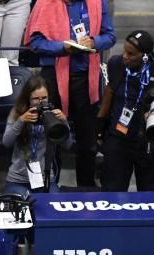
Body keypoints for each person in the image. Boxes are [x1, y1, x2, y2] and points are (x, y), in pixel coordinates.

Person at [25, 0, 116, 189]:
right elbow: (34, 42)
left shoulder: (97, 3)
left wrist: (94, 41)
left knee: (87, 140)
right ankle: (50, 185)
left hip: (86, 78)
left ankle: (86, 187)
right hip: (53, 78)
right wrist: (62, 48)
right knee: (52, 136)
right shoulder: (44, 3)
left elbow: (110, 36)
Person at [97, 30, 154, 192]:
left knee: (150, 197)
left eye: (131, 54)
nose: (125, 56)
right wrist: (99, 128)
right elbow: (109, 92)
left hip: (149, 143)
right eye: (124, 51)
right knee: (111, 194)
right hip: (118, 139)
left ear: (145, 56)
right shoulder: (115, 64)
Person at [2, 75, 72, 196]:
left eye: (44, 98)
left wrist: (63, 122)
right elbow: (6, 142)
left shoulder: (53, 114)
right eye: (35, 98)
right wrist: (21, 121)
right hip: (18, 180)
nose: (40, 102)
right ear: (28, 99)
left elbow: (68, 144)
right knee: (24, 207)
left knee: (53, 207)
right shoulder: (17, 112)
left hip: (45, 179)